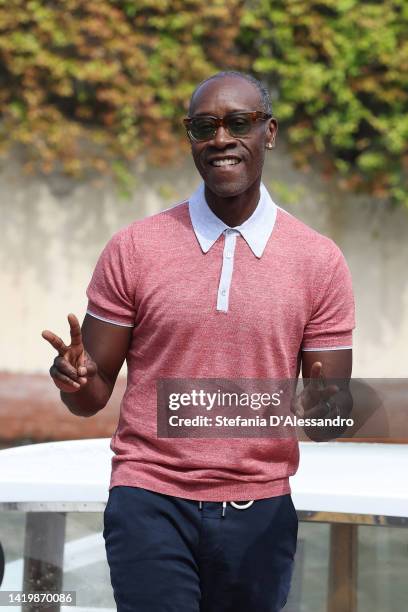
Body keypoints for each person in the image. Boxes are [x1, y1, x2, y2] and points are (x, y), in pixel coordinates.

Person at [42, 71, 355, 611]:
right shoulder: (135, 248)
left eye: (239, 123)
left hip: (261, 508)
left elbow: (328, 422)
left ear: (269, 133)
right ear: (190, 138)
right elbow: (89, 400)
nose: (220, 139)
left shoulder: (319, 261)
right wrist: (75, 379)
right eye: (203, 126)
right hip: (148, 499)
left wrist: (326, 409)